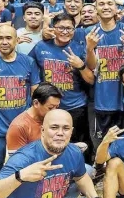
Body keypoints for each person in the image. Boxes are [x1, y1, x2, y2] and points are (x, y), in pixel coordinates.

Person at [0, 109, 103, 198]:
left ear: (71, 132)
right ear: (42, 130)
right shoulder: (25, 158)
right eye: (54, 127)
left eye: (66, 128)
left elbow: (81, 177)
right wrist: (20, 176)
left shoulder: (74, 152)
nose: (60, 133)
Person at [85, 0, 124, 152]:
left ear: (116, 7)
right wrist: (89, 48)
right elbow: (90, 67)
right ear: (96, 9)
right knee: (104, 144)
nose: (105, 7)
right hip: (102, 99)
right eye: (101, 4)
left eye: (109, 3)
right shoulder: (90, 32)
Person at [29, 13, 94, 146]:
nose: (65, 32)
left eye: (69, 28)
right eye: (61, 28)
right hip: (48, 107)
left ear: (74, 30)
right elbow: (27, 66)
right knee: (50, 145)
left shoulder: (80, 49)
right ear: (54, 28)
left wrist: (80, 66)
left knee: (77, 147)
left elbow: (92, 80)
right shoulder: (41, 46)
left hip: (75, 107)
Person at [0, 25, 40, 177]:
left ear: (17, 40)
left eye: (8, 38)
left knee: (25, 166)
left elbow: (35, 94)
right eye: (0, 38)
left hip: (22, 127)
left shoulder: (29, 62)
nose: (4, 42)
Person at [7, 82, 62, 155]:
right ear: (36, 103)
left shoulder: (54, 118)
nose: (54, 112)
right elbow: (17, 162)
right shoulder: (19, 127)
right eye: (50, 108)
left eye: (57, 107)